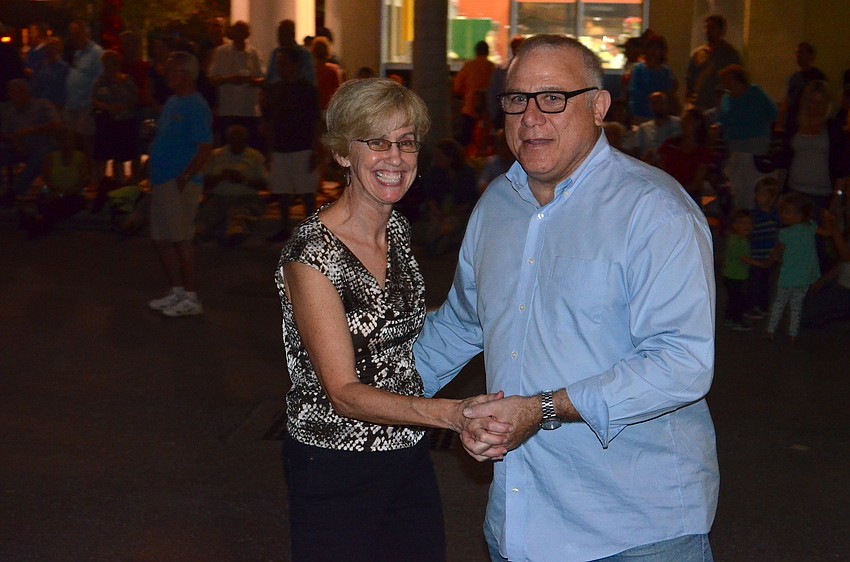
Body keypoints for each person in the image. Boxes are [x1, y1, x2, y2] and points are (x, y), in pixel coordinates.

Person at [414, 34, 718, 562]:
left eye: (553, 97)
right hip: (523, 522)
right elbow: (464, 322)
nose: (531, 117)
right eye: (516, 99)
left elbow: (682, 363)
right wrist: (363, 394)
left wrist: (543, 409)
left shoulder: (653, 210)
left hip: (635, 531)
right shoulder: (496, 206)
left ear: (599, 107)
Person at [274, 77, 508, 562]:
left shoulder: (395, 229)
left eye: (405, 143)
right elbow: (343, 393)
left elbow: (391, 323)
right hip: (335, 464)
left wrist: (497, 309)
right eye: (376, 142)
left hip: (405, 452)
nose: (394, 158)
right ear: (343, 153)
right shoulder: (311, 255)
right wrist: (453, 414)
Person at [146, 51, 213, 318]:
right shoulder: (173, 101)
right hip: (162, 179)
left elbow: (205, 147)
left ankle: (191, 296)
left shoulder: (196, 106)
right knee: (162, 238)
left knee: (181, 238)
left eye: (172, 70)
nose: (166, 75)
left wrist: (185, 177)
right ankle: (176, 290)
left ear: (186, 74)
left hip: (179, 182)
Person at [262, 47, 322, 243]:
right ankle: (285, 226)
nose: (281, 68)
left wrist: (316, 148)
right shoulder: (276, 89)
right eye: (279, 64)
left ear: (295, 65)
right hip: (281, 145)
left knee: (306, 191)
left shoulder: (307, 90)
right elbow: (270, 120)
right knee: (282, 189)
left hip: (302, 145)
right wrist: (270, 149)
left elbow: (315, 121)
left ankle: (311, 230)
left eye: (284, 63)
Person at [716, 64, 778, 210]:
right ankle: (739, 209)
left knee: (754, 177)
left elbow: (773, 112)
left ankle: (757, 207)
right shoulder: (726, 98)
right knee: (737, 178)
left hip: (755, 141)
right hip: (735, 142)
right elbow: (723, 118)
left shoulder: (755, 92)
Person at [764, 192, 822, 343]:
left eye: (787, 212)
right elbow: (827, 232)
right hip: (804, 277)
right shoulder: (810, 227)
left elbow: (777, 252)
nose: (783, 215)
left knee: (779, 303)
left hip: (788, 276)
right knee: (796, 305)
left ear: (800, 214)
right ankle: (793, 334)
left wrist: (769, 261)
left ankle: (771, 330)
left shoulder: (785, 234)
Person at [198, 124, 267, 245]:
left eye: (239, 140)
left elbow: (263, 184)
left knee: (238, 219)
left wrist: (243, 180)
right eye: (233, 140)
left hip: (246, 199)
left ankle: (235, 235)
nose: (236, 143)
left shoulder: (255, 156)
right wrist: (220, 177)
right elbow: (204, 182)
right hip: (218, 199)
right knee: (203, 223)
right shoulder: (216, 155)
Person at [18, 127, 90, 236]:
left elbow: (84, 179)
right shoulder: (50, 157)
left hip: (72, 194)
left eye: (69, 140)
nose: (67, 143)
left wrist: (66, 192)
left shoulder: (81, 157)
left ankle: (38, 221)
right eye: (64, 140)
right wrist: (56, 191)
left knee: (68, 202)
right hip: (52, 192)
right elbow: (47, 178)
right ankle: (40, 223)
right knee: (52, 202)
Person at [0, 79, 61, 206]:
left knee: (44, 153)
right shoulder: (6, 109)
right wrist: (15, 140)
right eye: (13, 92)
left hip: (40, 143)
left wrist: (30, 131)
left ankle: (16, 190)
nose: (16, 96)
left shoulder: (43, 105)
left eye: (20, 92)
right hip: (14, 144)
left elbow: (55, 124)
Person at [208, 21, 264, 149]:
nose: (238, 34)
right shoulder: (221, 52)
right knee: (226, 150)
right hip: (228, 110)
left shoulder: (254, 53)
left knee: (250, 150)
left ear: (247, 34)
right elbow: (212, 78)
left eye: (242, 31)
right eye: (236, 31)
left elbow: (263, 79)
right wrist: (229, 80)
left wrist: (249, 81)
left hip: (249, 111)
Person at [419, 137, 478, 255]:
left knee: (448, 226)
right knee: (434, 227)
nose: (436, 159)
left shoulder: (466, 174)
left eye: (439, 156)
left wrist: (450, 214)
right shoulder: (434, 172)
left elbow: (468, 201)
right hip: (438, 212)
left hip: (459, 213)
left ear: (450, 157)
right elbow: (430, 196)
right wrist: (437, 213)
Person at [91, 49, 139, 191]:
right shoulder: (100, 81)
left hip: (124, 121)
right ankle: (100, 183)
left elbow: (135, 99)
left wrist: (122, 107)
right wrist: (107, 107)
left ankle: (121, 183)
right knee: (102, 154)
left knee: (121, 155)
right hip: (106, 121)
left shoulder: (127, 81)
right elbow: (94, 99)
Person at [63, 20, 104, 156]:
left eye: (77, 34)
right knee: (71, 140)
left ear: (86, 33)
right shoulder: (77, 53)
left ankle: (90, 173)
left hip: (85, 105)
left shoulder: (96, 53)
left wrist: (93, 102)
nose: (74, 38)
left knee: (86, 141)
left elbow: (99, 79)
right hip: (72, 104)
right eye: (72, 34)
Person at [686, 14, 741, 111]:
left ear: (721, 30)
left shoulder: (730, 54)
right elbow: (690, 80)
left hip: (720, 105)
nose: (708, 31)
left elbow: (738, 79)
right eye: (707, 27)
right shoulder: (698, 54)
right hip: (699, 105)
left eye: (712, 28)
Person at [657, 106, 712, 204]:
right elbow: (661, 167)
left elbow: (697, 181)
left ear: (697, 123)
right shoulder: (670, 144)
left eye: (688, 120)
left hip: (688, 195)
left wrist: (680, 192)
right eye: (683, 120)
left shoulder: (702, 151)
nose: (684, 123)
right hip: (666, 191)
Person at [721, 209, 765, 331]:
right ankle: (737, 320)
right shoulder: (736, 240)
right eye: (743, 223)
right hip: (733, 276)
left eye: (749, 223)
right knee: (737, 300)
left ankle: (729, 318)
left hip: (736, 275)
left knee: (734, 299)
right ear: (735, 225)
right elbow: (743, 258)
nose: (747, 226)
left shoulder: (741, 239)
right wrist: (760, 264)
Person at [746, 176, 781, 319]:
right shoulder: (754, 215)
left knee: (764, 282)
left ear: (772, 198)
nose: (757, 197)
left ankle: (762, 306)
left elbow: (778, 233)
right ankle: (754, 305)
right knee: (755, 281)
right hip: (756, 254)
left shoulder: (775, 215)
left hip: (769, 255)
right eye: (757, 193)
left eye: (762, 194)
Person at [453, 40, 495, 148]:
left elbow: (457, 86)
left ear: (475, 52)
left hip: (470, 109)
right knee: (486, 142)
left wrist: (467, 93)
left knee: (466, 141)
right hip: (488, 111)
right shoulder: (493, 68)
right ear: (487, 52)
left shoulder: (469, 66)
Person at [628, 34, 678, 124]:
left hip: (659, 115)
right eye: (651, 47)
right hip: (640, 113)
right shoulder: (638, 69)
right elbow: (634, 90)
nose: (654, 51)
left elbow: (669, 93)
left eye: (657, 48)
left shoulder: (666, 72)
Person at [487, 35, 524, 131]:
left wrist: (494, 114)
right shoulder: (502, 70)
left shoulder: (501, 69)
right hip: (507, 111)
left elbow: (492, 93)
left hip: (503, 111)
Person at [635, 91, 681, 164]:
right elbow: (636, 151)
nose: (659, 106)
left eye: (662, 103)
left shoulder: (678, 123)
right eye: (655, 103)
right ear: (650, 106)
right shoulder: (644, 128)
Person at [266, 20, 315, 86]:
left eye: (284, 35)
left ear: (292, 35)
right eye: (279, 35)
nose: (280, 38)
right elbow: (270, 77)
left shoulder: (304, 54)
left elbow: (308, 79)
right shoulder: (275, 53)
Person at [30, 37, 69, 109]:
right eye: (47, 47)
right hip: (41, 106)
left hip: (58, 106)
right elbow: (35, 87)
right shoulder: (39, 66)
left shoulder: (64, 67)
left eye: (52, 47)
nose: (49, 50)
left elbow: (66, 89)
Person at [311, 36, 343, 112]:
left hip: (326, 108)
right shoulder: (312, 70)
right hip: (318, 108)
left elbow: (337, 90)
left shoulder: (333, 70)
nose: (320, 50)